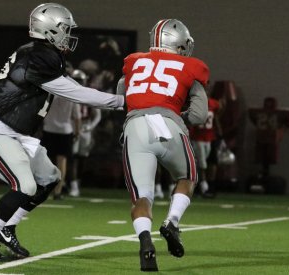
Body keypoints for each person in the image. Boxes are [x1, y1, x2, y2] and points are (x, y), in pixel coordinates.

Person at [0, 3, 124, 262]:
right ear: (49, 29)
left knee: (50, 178)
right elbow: (74, 92)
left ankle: (7, 227)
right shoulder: (39, 55)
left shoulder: (39, 52)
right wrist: (120, 101)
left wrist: (115, 99)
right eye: (64, 29)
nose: (68, 35)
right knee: (25, 185)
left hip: (15, 130)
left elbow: (70, 85)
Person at [119, 19, 209, 271]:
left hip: (135, 126)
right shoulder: (192, 66)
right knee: (187, 176)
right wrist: (180, 118)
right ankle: (172, 221)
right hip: (169, 125)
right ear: (180, 44)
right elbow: (201, 115)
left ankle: (145, 241)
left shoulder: (134, 61)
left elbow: (122, 97)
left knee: (141, 196)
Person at [68, 69, 101, 197]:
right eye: (77, 80)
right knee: (72, 158)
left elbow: (97, 115)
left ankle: (76, 182)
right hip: (72, 125)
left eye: (80, 80)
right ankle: (73, 185)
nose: (79, 82)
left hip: (85, 126)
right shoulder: (68, 91)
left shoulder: (89, 93)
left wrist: (91, 127)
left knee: (82, 158)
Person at [41, 94, 81, 200]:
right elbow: (77, 117)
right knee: (62, 162)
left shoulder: (50, 93)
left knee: (46, 161)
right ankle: (57, 191)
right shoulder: (71, 95)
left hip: (49, 129)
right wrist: (77, 132)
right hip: (65, 130)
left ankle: (45, 188)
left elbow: (42, 111)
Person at [189, 96, 221, 196]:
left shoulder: (214, 103)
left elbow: (217, 116)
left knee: (203, 161)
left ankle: (199, 185)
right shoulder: (194, 103)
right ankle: (204, 185)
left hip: (209, 137)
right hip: (197, 137)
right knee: (202, 163)